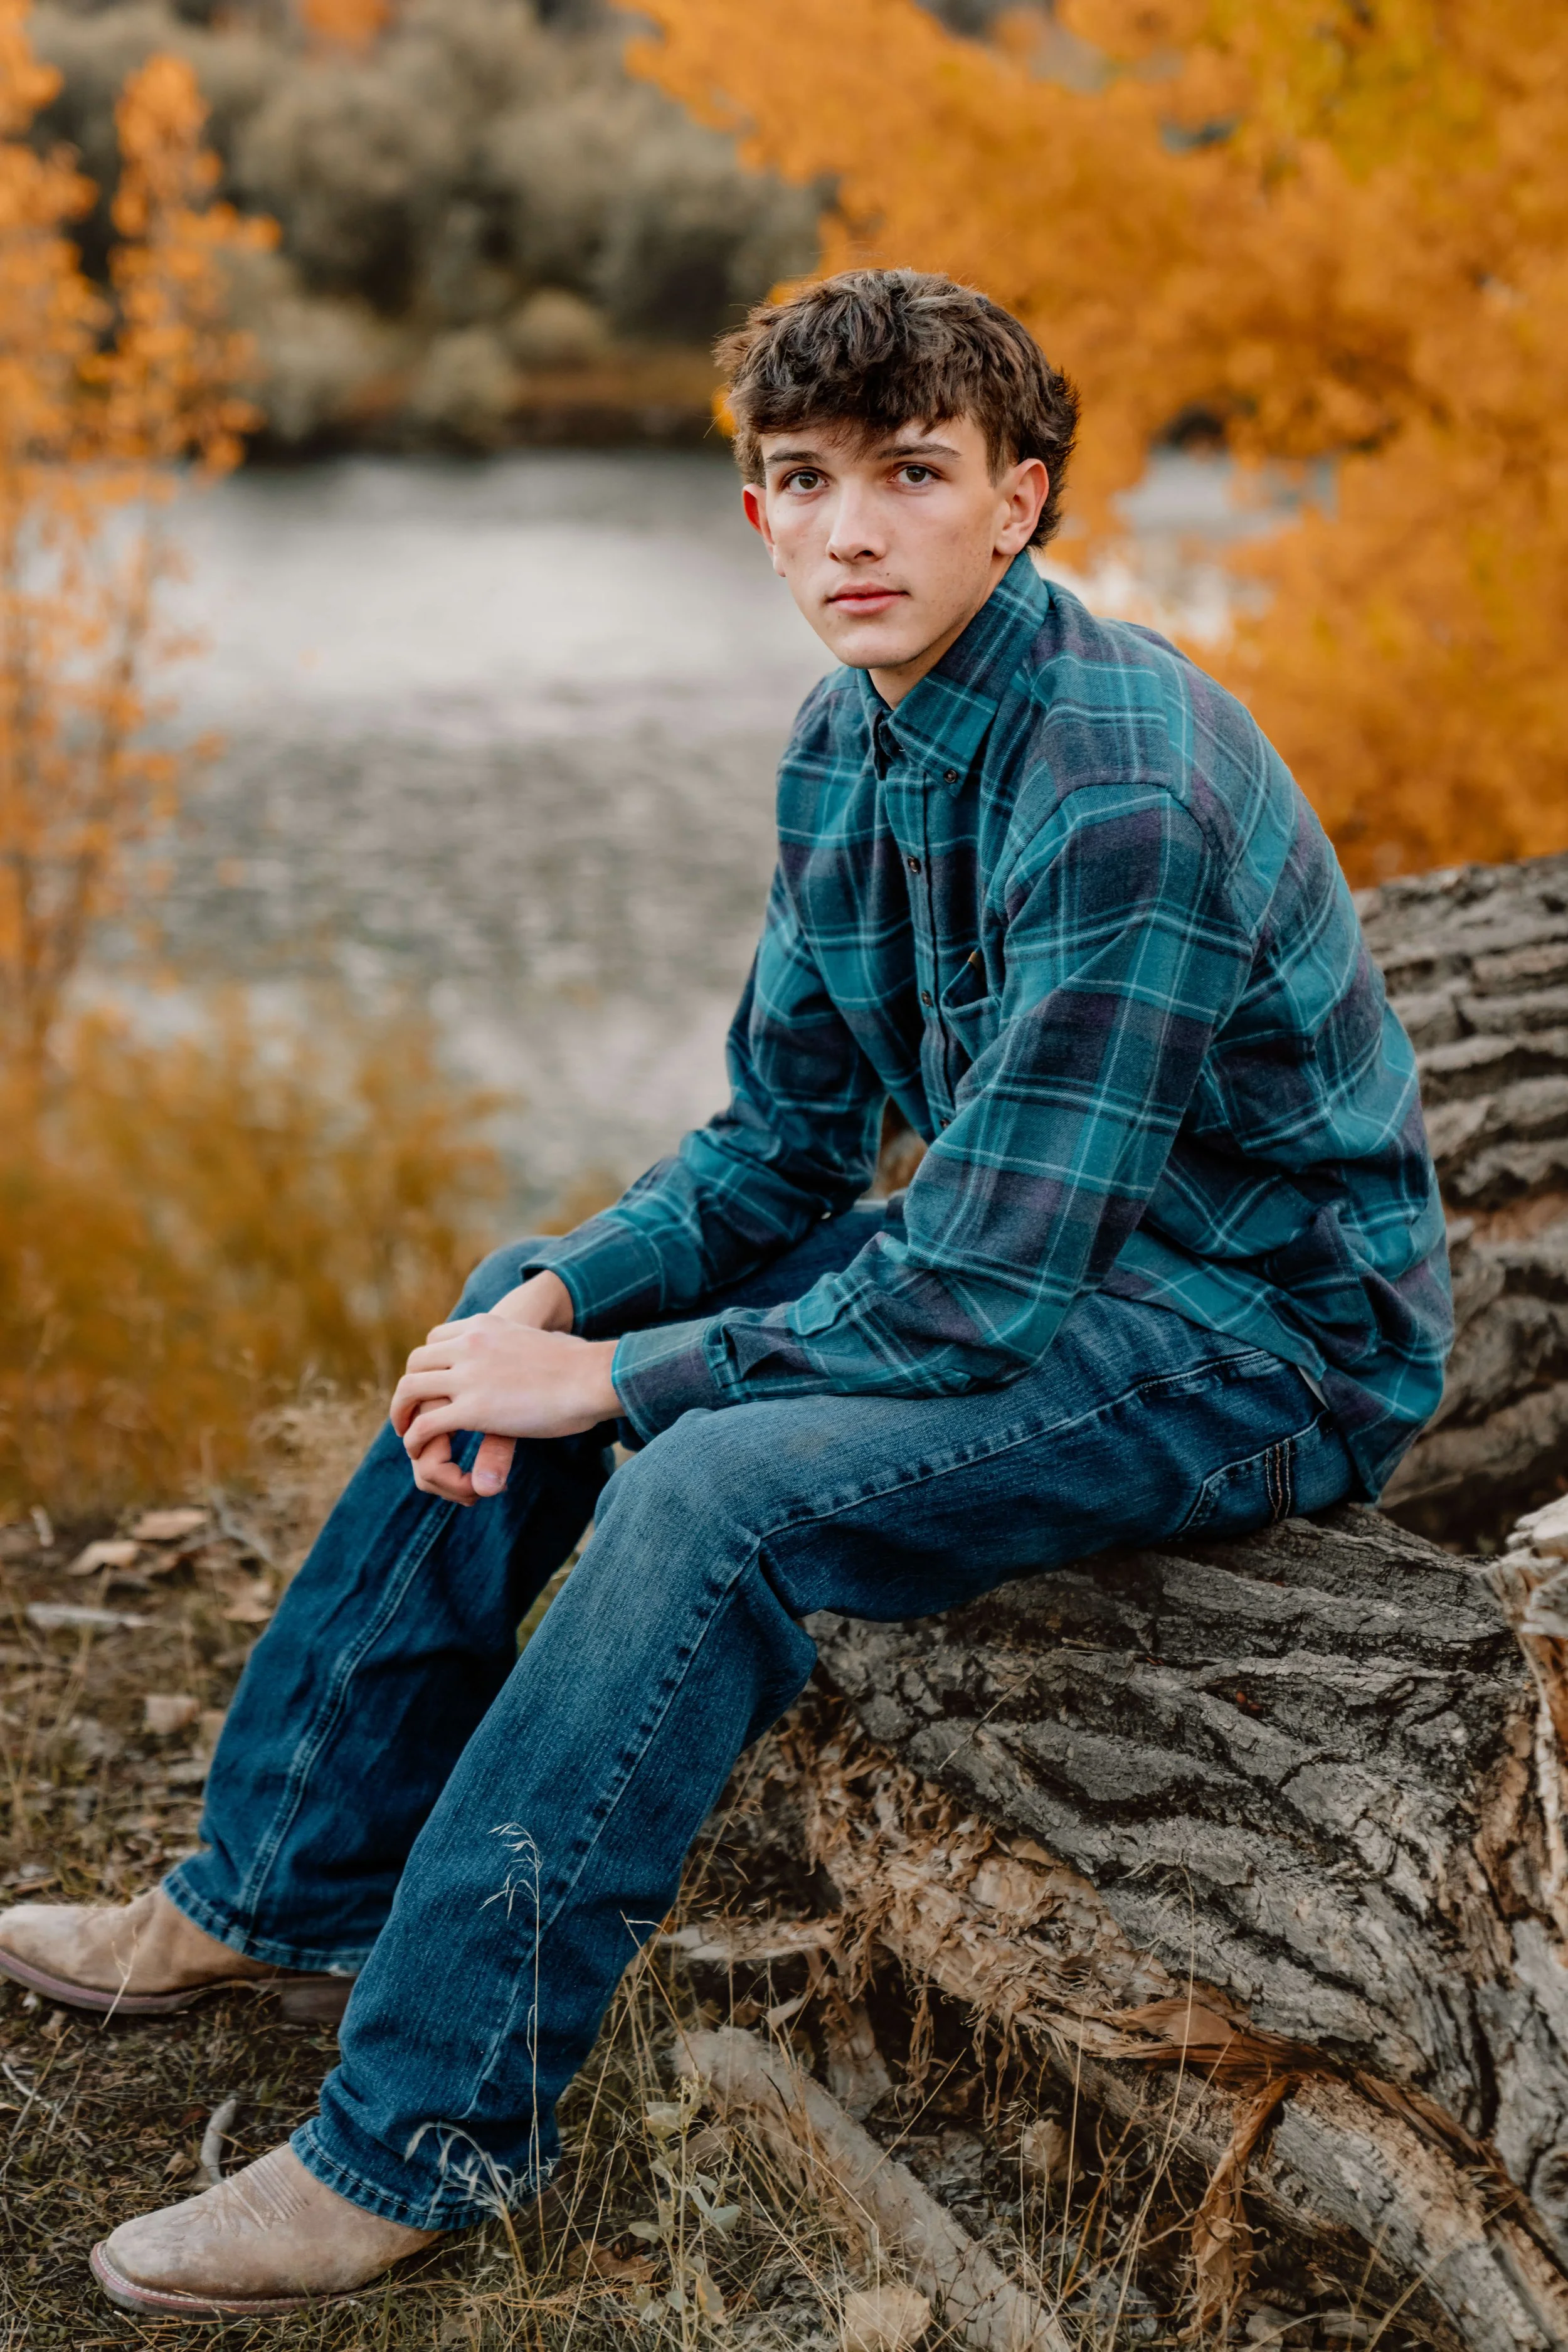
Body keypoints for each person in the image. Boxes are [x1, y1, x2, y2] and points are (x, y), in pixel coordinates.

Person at [0, 268, 1451, 2319]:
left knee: (709, 1485)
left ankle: (418, 2134)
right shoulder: (841, 749)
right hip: (1047, 1267)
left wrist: (627, 1384)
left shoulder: (1117, 784)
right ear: (754, 512)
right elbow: (780, 1142)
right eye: (803, 480)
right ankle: (273, 1889)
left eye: (911, 475)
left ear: (1017, 501)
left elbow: (970, 1296)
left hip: (1261, 1332)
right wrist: (563, 1305)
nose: (851, 528)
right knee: (530, 1288)